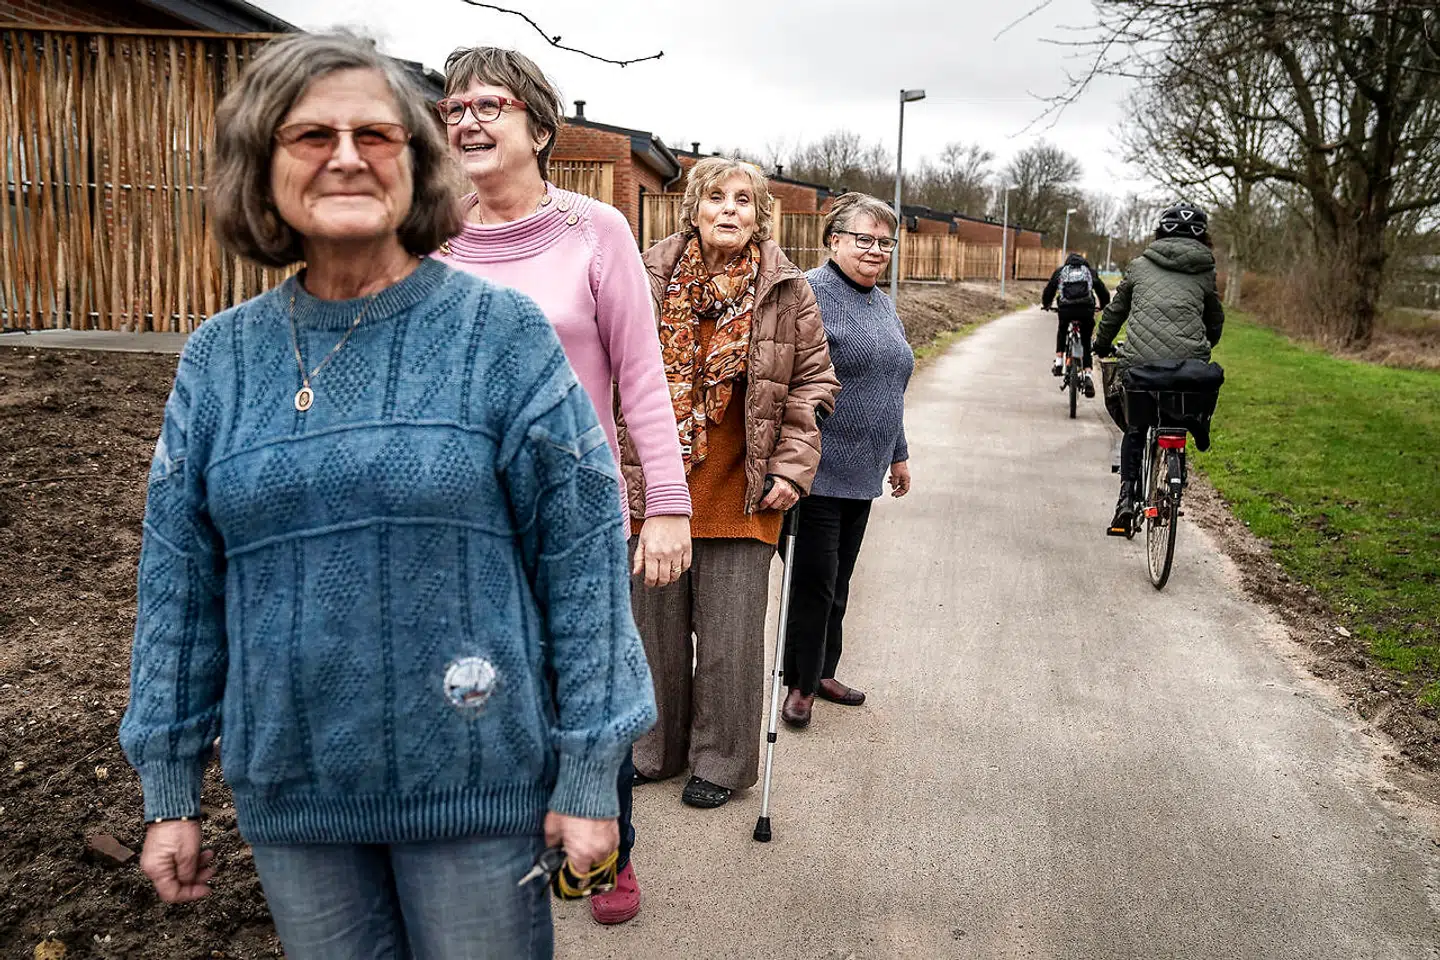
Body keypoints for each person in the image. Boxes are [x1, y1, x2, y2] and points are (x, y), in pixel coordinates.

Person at [118, 32, 655, 960]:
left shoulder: (500, 334)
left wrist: (589, 771)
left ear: (418, 165)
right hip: (294, 797)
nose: (345, 155)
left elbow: (583, 559)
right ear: (262, 166)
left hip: (476, 785)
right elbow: (177, 585)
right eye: (308, 134)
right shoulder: (219, 358)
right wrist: (169, 787)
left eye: (377, 133)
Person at [432, 45, 689, 927]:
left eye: (489, 105)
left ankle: (609, 845)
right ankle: (503, 845)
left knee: (591, 681)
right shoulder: (431, 241)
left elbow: (642, 378)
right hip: (461, 519)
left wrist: (668, 506)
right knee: (482, 689)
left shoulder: (596, 230)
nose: (467, 119)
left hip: (575, 515)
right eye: (454, 106)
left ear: (540, 126)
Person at [623, 157, 839, 808]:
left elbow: (814, 384)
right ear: (691, 208)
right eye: (715, 197)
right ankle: (653, 749)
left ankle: (720, 763)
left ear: (759, 216)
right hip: (655, 487)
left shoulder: (788, 288)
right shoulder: (645, 274)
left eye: (743, 200)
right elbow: (610, 369)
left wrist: (792, 467)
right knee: (652, 634)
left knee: (729, 642)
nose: (728, 209)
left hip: (743, 492)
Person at [780, 193, 913, 729]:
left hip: (864, 470)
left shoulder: (883, 302)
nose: (876, 250)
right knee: (813, 581)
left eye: (885, 242)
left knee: (840, 579)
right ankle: (799, 684)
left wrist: (899, 454)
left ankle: (822, 670)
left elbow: (890, 383)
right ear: (833, 239)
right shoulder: (809, 294)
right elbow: (784, 378)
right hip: (816, 467)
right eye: (864, 239)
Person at [1094, 202, 1224, 531]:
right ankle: (1177, 464)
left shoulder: (1139, 266)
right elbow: (1215, 323)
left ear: (1160, 232)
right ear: (1203, 238)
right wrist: (1205, 342)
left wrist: (1100, 343)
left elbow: (1115, 312)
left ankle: (1126, 498)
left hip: (1140, 364)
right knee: (1177, 412)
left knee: (1136, 427)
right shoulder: (1206, 272)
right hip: (1188, 366)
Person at [1042, 251, 1110, 397]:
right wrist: (1104, 304)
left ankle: (1059, 362)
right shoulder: (1089, 272)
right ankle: (1088, 376)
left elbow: (1050, 289)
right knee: (1086, 341)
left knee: (1062, 329)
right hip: (1086, 310)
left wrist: (1046, 304)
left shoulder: (1061, 271)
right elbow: (1102, 290)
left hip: (1066, 310)